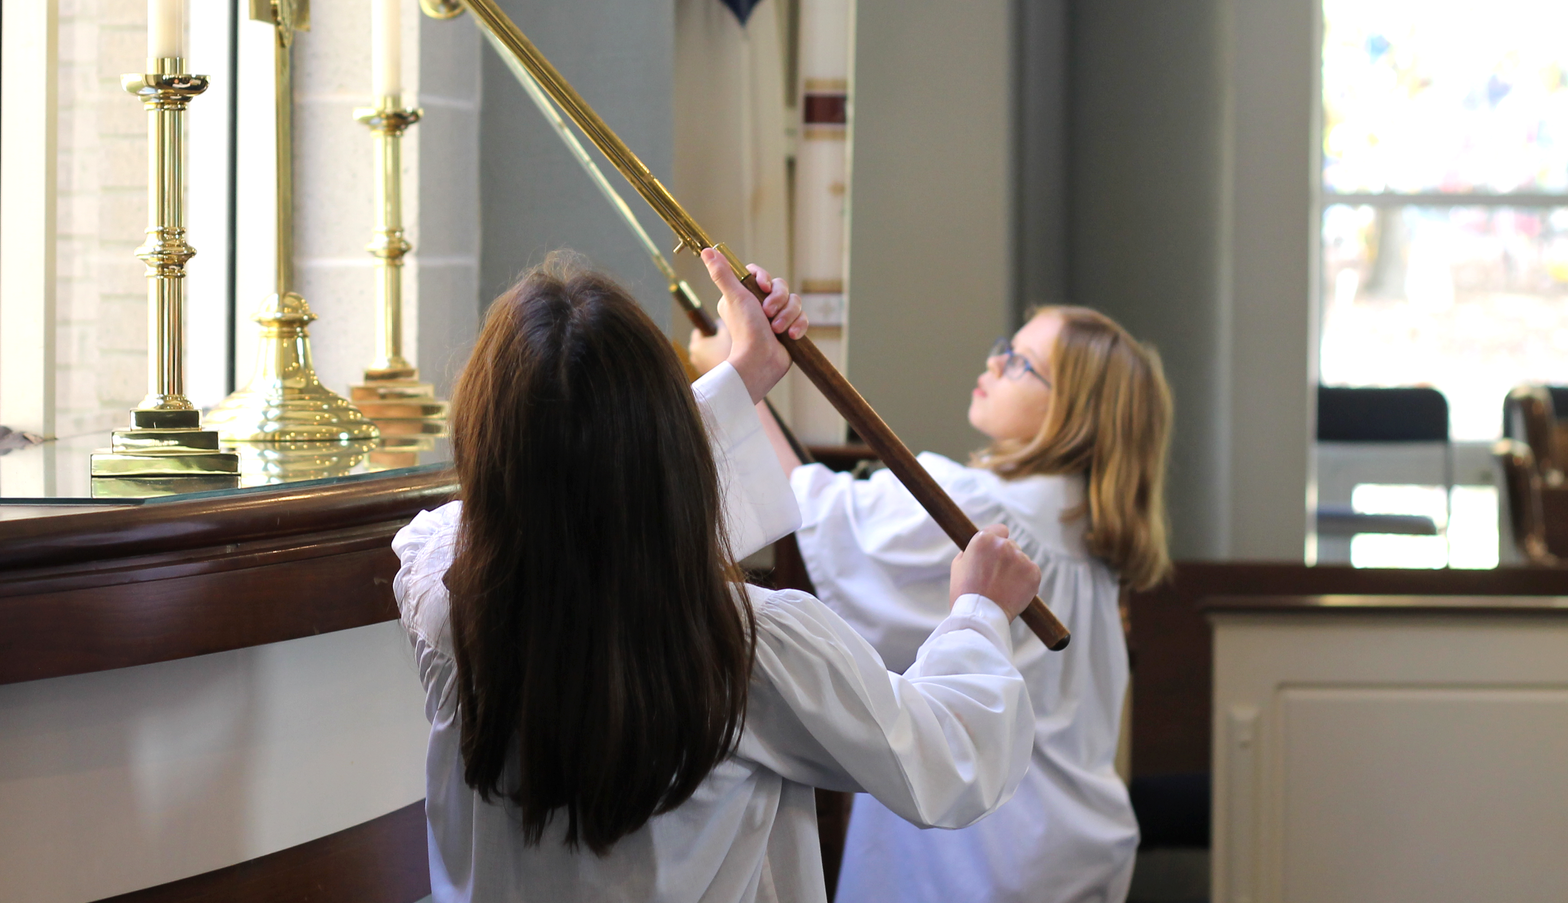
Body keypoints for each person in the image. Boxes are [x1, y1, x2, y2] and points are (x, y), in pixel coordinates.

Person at [392, 249, 1045, 902]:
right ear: (667, 442)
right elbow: (949, 759)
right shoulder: (749, 647)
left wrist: (744, 374)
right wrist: (980, 613)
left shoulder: (441, 600)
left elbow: (541, 496)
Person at [694, 306, 1172, 903]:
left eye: (1022, 364)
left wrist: (737, 381)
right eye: (1006, 346)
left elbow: (817, 513)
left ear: (1075, 414)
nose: (995, 361)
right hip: (1076, 840)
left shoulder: (983, 511)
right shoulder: (1087, 530)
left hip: (982, 851)